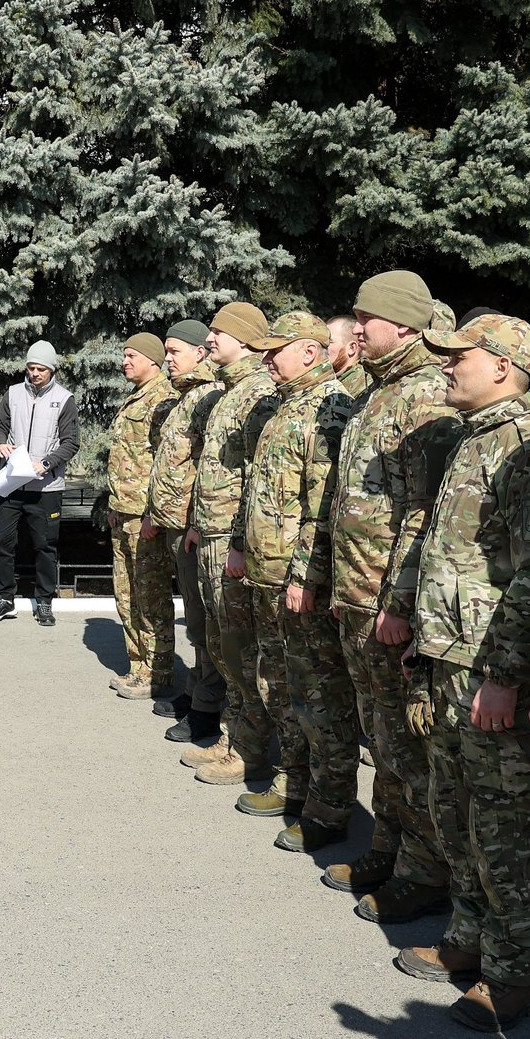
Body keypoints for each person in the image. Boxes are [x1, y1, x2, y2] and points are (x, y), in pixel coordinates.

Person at [399, 315, 530, 1031]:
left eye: (458, 358)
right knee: (459, 812)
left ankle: (513, 970)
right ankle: (470, 938)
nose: (445, 368)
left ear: (504, 365)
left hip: (490, 671)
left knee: (503, 827)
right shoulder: (480, 437)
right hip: (452, 659)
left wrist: (505, 674)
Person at [326, 270, 463, 923]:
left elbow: (426, 513)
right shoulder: (379, 392)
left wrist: (399, 604)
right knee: (381, 740)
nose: (356, 327)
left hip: (389, 606)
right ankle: (389, 844)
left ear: (404, 326)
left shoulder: (427, 396)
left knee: (410, 748)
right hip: (357, 596)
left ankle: (425, 871)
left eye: (366, 317)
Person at [239, 312, 357, 848]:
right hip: (269, 575)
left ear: (309, 353)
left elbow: (323, 506)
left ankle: (330, 807)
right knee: (283, 686)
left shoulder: (330, 409)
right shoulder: (288, 407)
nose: (266, 358)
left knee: (320, 694)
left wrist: (307, 575)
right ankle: (294, 782)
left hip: (297, 581)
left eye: (276, 349)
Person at [185, 302, 281, 785]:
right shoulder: (231, 391)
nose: (209, 340)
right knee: (225, 647)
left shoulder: (258, 394)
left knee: (244, 653)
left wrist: (240, 540)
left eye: (218, 332)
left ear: (243, 339)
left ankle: (250, 749)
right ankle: (233, 735)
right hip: (214, 535)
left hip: (234, 543)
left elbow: (258, 481)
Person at [145, 321, 226, 729]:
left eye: (174, 351)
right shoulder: (186, 396)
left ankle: (208, 705)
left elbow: (209, 469)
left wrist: (195, 520)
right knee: (195, 614)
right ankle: (196, 690)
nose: (167, 360)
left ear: (199, 353)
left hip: (193, 527)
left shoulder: (210, 396)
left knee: (202, 618)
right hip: (176, 523)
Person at [0, 341, 81, 626]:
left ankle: (44, 602)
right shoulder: (13, 393)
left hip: (46, 488)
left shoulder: (65, 399)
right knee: (1, 542)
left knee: (45, 546)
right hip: (12, 483)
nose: (35, 373)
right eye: (31, 368)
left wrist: (47, 463)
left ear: (52, 370)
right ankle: (4, 599)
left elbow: (71, 442)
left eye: (41, 368)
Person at [105, 332, 179, 700]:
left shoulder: (163, 400)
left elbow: (166, 462)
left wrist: (154, 511)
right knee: (126, 594)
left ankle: (158, 672)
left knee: (151, 597)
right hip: (123, 512)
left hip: (145, 517)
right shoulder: (136, 397)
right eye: (124, 355)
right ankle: (138, 665)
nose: (125, 361)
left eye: (132, 355)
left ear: (154, 360)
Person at [327, 315, 369, 398]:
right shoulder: (331, 379)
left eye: (329, 342)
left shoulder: (363, 388)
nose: (322, 347)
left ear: (352, 348)